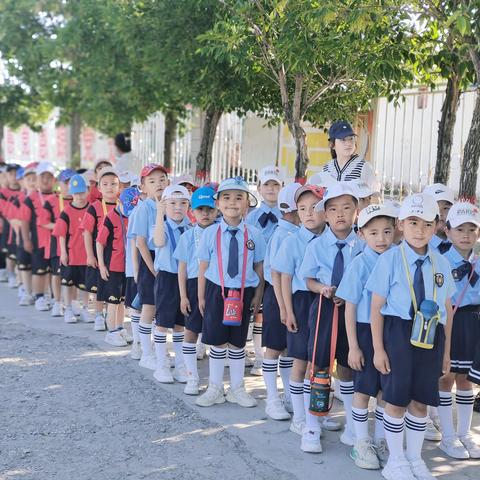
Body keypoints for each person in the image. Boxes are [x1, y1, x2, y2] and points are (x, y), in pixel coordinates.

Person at [367, 192, 454, 480]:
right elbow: (376, 308)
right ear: (401, 224)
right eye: (413, 223)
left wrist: (446, 352)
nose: (420, 231)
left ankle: (415, 458)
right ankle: (395, 460)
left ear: (436, 227)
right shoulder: (390, 259)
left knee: (421, 400)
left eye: (427, 224)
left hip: (431, 334)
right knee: (396, 398)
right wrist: (378, 349)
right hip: (398, 332)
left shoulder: (441, 264)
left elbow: (447, 310)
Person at [300, 182, 363, 453]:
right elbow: (308, 279)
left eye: (347, 208)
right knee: (320, 367)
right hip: (324, 309)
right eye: (333, 209)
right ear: (325, 214)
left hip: (353, 311)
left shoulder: (362, 245)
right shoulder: (316, 245)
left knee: (348, 367)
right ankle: (312, 426)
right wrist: (323, 289)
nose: (340, 214)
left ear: (356, 212)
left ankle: (352, 425)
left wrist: (349, 294)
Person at [336, 203, 397, 469]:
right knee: (363, 389)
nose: (381, 239)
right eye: (373, 233)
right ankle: (361, 442)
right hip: (363, 330)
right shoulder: (360, 264)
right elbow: (349, 306)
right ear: (361, 234)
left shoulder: (398, 259)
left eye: (386, 231)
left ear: (396, 231)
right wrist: (353, 347)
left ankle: (382, 440)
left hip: (391, 330)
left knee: (386, 389)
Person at [196, 177, 266, 408]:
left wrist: (257, 295)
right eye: (226, 197)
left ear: (247, 203)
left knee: (237, 343)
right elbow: (203, 267)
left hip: (244, 291)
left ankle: (237, 388)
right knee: (216, 342)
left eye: (239, 197)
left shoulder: (255, 234)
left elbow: (259, 267)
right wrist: (201, 295)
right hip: (217, 290)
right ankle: (215, 387)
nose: (232, 202)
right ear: (218, 203)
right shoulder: (210, 233)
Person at [273, 184, 328, 436]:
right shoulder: (292, 241)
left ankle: (317, 411)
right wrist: (286, 310)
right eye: (302, 208)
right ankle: (300, 415)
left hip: (326, 302)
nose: (307, 213)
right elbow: (284, 277)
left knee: (321, 363)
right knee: (299, 361)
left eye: (314, 208)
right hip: (301, 302)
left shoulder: (331, 240)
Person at [437, 202, 480, 460]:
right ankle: (448, 436)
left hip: (474, 323)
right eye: (459, 229)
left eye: (471, 229)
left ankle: (464, 433)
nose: (465, 235)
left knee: (466, 380)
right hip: (449, 322)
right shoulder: (440, 261)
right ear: (448, 231)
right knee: (446, 377)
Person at [261, 182, 301, 421]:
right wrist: (283, 308)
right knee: (274, 348)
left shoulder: (295, 232)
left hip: (291, 297)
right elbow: (277, 274)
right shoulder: (283, 234)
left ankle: (288, 394)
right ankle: (271, 398)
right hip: (278, 296)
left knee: (288, 349)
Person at [174, 186, 218, 395]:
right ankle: (192, 377)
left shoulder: (221, 232)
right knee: (191, 332)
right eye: (200, 209)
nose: (205, 213)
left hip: (216, 284)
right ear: (192, 211)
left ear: (217, 209)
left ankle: (216, 384)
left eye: (209, 209)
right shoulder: (187, 236)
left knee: (217, 333)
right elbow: (181, 268)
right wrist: (183, 296)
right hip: (192, 285)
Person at [129, 164, 169, 370]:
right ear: (143, 187)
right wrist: (151, 268)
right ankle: (145, 352)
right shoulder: (144, 208)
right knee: (149, 306)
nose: (158, 184)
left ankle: (157, 348)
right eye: (152, 181)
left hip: (167, 258)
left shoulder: (171, 203)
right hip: (151, 260)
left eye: (162, 179)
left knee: (162, 307)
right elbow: (141, 242)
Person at [152, 184, 191, 383]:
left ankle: (181, 365)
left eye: (183, 203)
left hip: (185, 280)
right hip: (167, 277)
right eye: (172, 203)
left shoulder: (190, 228)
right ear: (165, 206)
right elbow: (158, 242)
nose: (178, 207)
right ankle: (161, 365)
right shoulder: (162, 226)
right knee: (162, 323)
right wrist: (160, 215)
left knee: (180, 324)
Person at [246, 166, 283, 376]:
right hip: (259, 273)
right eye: (267, 184)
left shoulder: (287, 216)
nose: (271, 189)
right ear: (259, 187)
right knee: (258, 314)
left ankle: (275, 355)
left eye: (275, 184)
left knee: (276, 316)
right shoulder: (251, 218)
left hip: (280, 274)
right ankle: (259, 357)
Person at [81, 166, 120, 331]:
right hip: (100, 254)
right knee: (98, 285)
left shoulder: (122, 206)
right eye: (105, 184)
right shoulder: (94, 207)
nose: (110, 187)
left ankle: (115, 320)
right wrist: (90, 255)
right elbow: (87, 233)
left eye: (113, 183)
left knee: (114, 288)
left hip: (117, 255)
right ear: (99, 188)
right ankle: (98, 314)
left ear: (119, 186)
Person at [96, 185, 132, 347]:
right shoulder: (110, 217)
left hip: (127, 267)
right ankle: (111, 332)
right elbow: (99, 242)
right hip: (113, 267)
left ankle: (119, 327)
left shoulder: (132, 216)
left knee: (123, 301)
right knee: (113, 301)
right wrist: (102, 266)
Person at [38, 168, 75, 318]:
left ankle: (71, 303)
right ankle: (57, 302)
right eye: (66, 183)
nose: (69, 186)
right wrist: (61, 226)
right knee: (57, 273)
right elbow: (42, 222)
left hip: (74, 243)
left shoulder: (78, 199)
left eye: (72, 182)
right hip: (57, 243)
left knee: (72, 274)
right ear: (60, 184)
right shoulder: (51, 201)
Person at [55, 174, 91, 324]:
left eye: (82, 192)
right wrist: (63, 252)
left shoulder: (91, 210)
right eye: (76, 193)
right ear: (72, 194)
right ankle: (68, 308)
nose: (80, 196)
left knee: (85, 285)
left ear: (87, 191)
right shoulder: (66, 212)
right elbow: (61, 234)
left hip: (87, 255)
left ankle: (85, 309)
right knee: (67, 283)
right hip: (71, 254)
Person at [322, 120, 378, 189]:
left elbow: (374, 196)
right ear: (332, 144)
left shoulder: (363, 167)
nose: (349, 143)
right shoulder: (327, 168)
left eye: (351, 138)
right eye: (343, 139)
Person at [423, 183, 455, 254]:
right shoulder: (418, 246)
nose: (440, 213)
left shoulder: (459, 244)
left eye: (446, 208)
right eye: (435, 207)